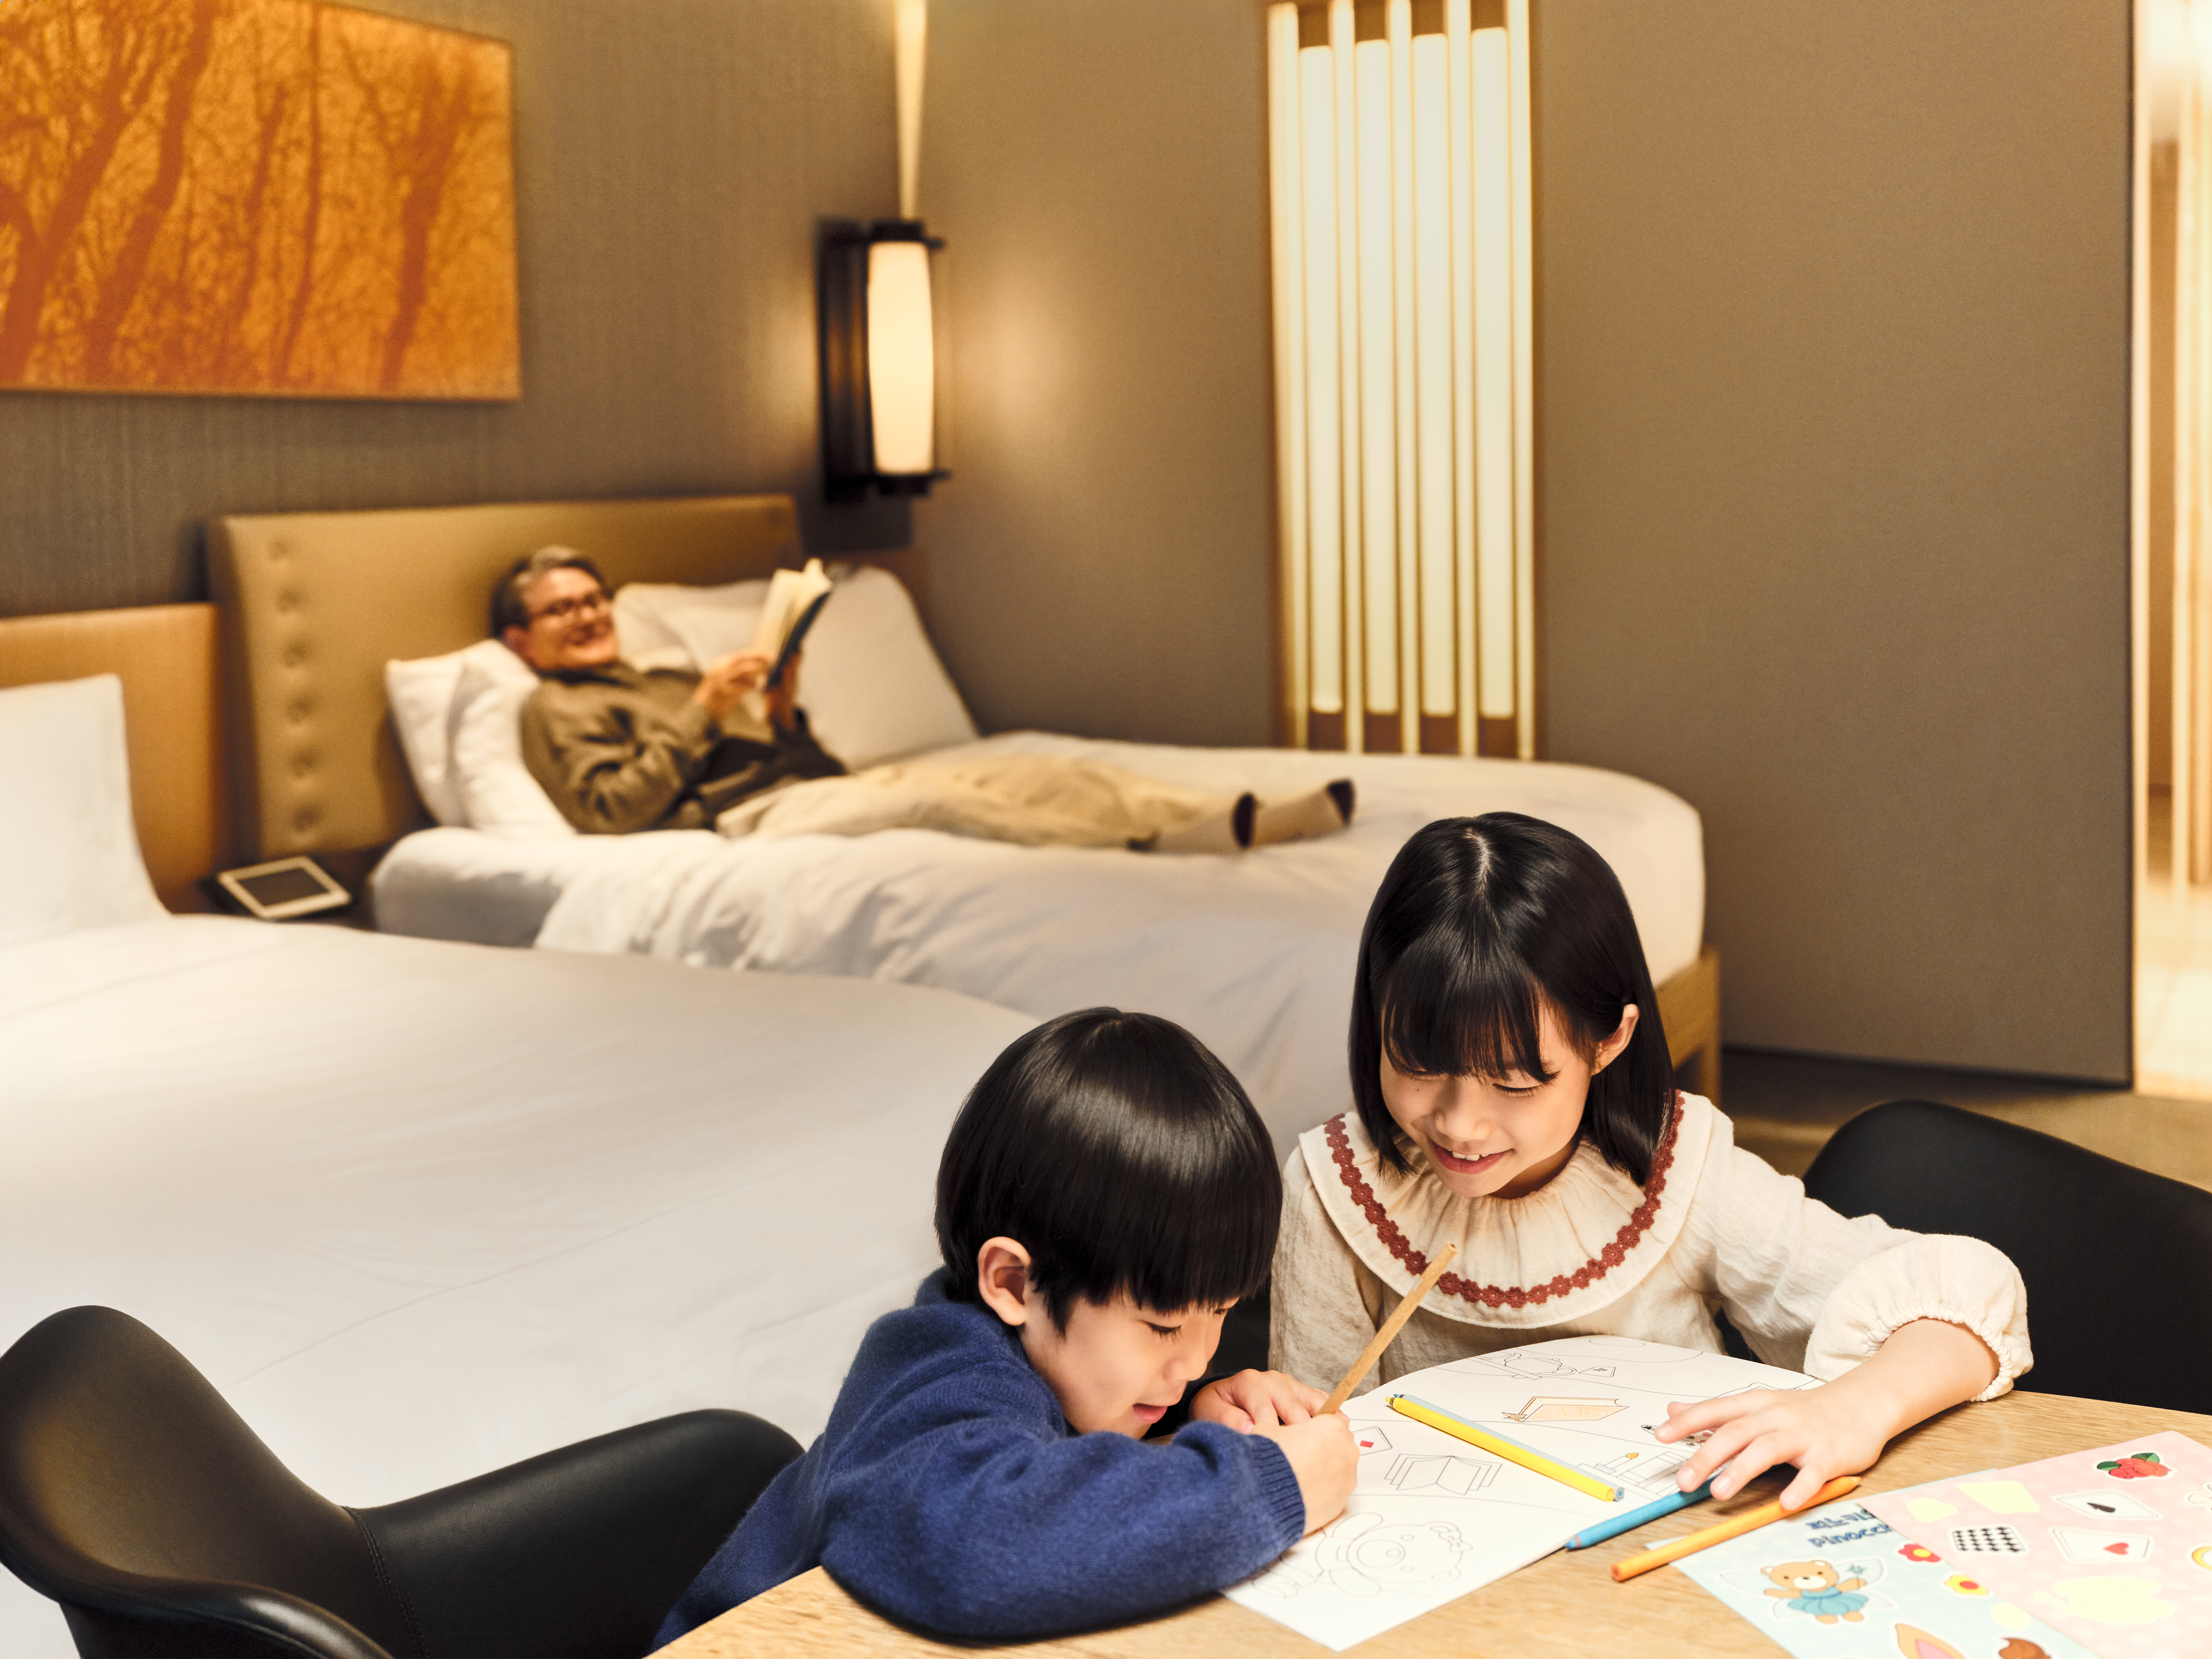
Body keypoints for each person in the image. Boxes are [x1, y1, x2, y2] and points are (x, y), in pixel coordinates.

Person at [1271, 813, 2033, 1514]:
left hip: (1665, 1557)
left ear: (1609, 1041)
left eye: (1514, 1082)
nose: (1461, 1124)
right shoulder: (1337, 1190)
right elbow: (1311, 1458)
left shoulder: (1675, 1171)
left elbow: (1967, 1292)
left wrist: (1851, 1410)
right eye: (1414, 1064)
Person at [654, 1008, 1359, 1644]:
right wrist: (1266, 1488)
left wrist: (1189, 1418)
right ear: (1015, 1284)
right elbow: (983, 1546)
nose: (1197, 1358)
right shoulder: (936, 1380)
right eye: (1162, 1326)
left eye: (1224, 1311)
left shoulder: (1052, 1361)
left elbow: (1064, 1445)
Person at [495, 547, 1354, 849]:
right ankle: (1152, 843)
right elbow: (609, 812)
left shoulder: (661, 679)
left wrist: (784, 716)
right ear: (520, 642)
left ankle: (1232, 812)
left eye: (592, 598)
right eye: (559, 608)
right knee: (952, 798)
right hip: (746, 820)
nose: (587, 616)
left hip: (807, 786)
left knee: (1037, 771)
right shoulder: (552, 710)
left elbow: (805, 763)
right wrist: (707, 713)